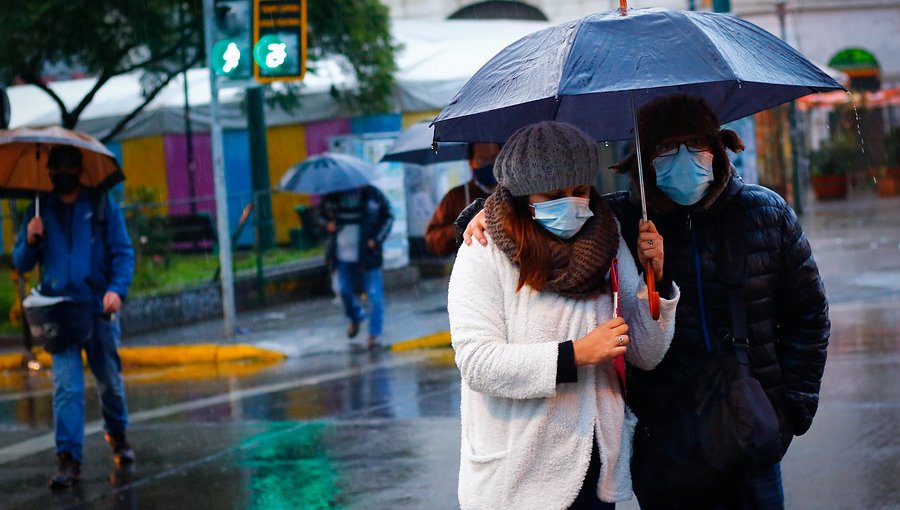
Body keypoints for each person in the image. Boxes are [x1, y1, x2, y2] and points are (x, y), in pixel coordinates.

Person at [464, 96, 831, 509]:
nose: (684, 158)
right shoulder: (619, 222)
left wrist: (791, 410)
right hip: (665, 435)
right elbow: (534, 206)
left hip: (749, 424)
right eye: (665, 149)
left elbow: (808, 315)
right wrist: (478, 214)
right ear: (643, 161)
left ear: (719, 148)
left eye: (696, 144)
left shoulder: (765, 213)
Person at [447, 121, 679, 510]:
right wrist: (575, 355)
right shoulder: (484, 249)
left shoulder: (608, 236)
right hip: (519, 480)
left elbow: (645, 353)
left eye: (580, 191)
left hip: (594, 466)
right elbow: (476, 362)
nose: (571, 203)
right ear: (524, 195)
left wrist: (656, 277)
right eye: (554, 194)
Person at [13, 145, 136, 489]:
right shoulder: (38, 210)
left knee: (109, 382)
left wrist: (116, 289)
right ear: (49, 171)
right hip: (59, 311)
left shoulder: (100, 206)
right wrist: (30, 239)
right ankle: (68, 459)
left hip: (97, 309)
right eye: (56, 168)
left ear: (79, 171)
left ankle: (118, 435)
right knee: (66, 386)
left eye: (68, 167)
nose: (61, 174)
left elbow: (123, 252)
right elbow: (21, 262)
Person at [320, 184, 394, 349]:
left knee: (374, 296)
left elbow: (388, 217)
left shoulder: (373, 195)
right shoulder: (332, 195)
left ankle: (374, 335)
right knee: (343, 291)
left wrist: (376, 240)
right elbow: (319, 216)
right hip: (342, 256)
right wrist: (327, 224)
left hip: (368, 255)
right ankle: (356, 316)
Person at [424, 142, 500, 256]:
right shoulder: (456, 196)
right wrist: (460, 228)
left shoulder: (513, 194)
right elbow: (433, 240)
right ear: (471, 162)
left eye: (494, 158)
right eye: (483, 159)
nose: (490, 164)